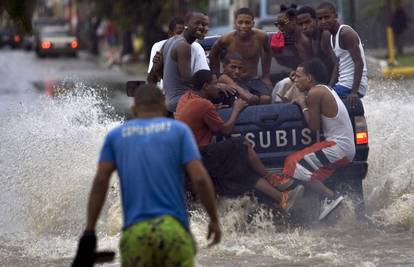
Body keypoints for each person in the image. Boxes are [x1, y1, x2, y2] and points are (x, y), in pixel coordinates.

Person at [72, 84, 221, 267]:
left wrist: (89, 232)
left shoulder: (117, 136)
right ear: (163, 106)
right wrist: (213, 219)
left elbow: (101, 181)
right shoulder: (179, 132)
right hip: (173, 232)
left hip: (136, 235)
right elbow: (199, 179)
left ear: (134, 108)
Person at [175, 70, 304, 212]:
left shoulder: (185, 98)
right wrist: (236, 109)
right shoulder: (204, 105)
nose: (218, 87)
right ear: (205, 86)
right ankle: (272, 180)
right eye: (215, 83)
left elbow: (197, 116)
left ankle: (282, 199)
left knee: (243, 173)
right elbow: (225, 130)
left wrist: (214, 109)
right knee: (243, 144)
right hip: (202, 156)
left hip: (187, 161)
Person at [273, 58, 355, 220]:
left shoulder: (315, 93)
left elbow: (314, 126)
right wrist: (298, 87)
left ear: (310, 78)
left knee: (293, 162)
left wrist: (303, 104)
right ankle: (317, 198)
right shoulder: (323, 89)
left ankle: (331, 196)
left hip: (338, 147)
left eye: (298, 76)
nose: (295, 80)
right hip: (343, 147)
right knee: (306, 172)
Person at [148, 12, 210, 113]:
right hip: (181, 101)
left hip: (170, 101)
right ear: (186, 24)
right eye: (197, 23)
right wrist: (212, 84)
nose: (201, 27)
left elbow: (156, 75)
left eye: (204, 24)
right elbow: (188, 80)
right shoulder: (184, 46)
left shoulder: (170, 41)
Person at [209, 7, 273, 93]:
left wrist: (266, 76)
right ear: (235, 23)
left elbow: (268, 51)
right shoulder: (226, 39)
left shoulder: (261, 36)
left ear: (253, 23)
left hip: (253, 79)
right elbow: (213, 54)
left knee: (265, 98)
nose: (243, 26)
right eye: (240, 22)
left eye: (247, 23)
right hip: (233, 81)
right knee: (245, 99)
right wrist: (216, 77)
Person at [317, 2, 368, 108]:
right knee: (316, 93)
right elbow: (338, 64)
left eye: (327, 17)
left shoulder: (345, 33)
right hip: (342, 84)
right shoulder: (331, 36)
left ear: (335, 16)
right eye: (320, 18)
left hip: (352, 87)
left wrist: (354, 92)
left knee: (317, 99)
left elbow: (359, 63)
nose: (323, 21)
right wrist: (330, 86)